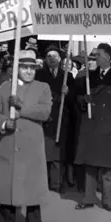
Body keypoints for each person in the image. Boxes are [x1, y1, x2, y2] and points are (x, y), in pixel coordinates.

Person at [0, 49, 52, 222]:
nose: (29, 71)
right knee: (8, 190)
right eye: (25, 67)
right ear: (16, 69)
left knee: (32, 191)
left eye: (32, 68)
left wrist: (21, 107)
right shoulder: (5, 88)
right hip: (10, 145)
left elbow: (44, 112)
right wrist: (5, 123)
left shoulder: (43, 87)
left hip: (32, 147)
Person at [74, 43, 111, 212]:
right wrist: (84, 100)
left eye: (97, 55)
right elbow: (77, 98)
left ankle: (107, 200)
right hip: (91, 125)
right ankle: (88, 197)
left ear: (107, 57)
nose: (95, 58)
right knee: (89, 165)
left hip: (108, 127)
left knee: (107, 168)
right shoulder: (89, 77)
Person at [35, 45, 73, 192]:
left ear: (60, 59)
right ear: (45, 59)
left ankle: (56, 183)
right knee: (43, 153)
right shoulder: (39, 75)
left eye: (55, 56)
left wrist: (68, 92)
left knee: (58, 154)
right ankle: (42, 182)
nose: (52, 58)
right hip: (44, 118)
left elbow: (73, 98)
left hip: (60, 119)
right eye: (49, 56)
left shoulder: (67, 76)